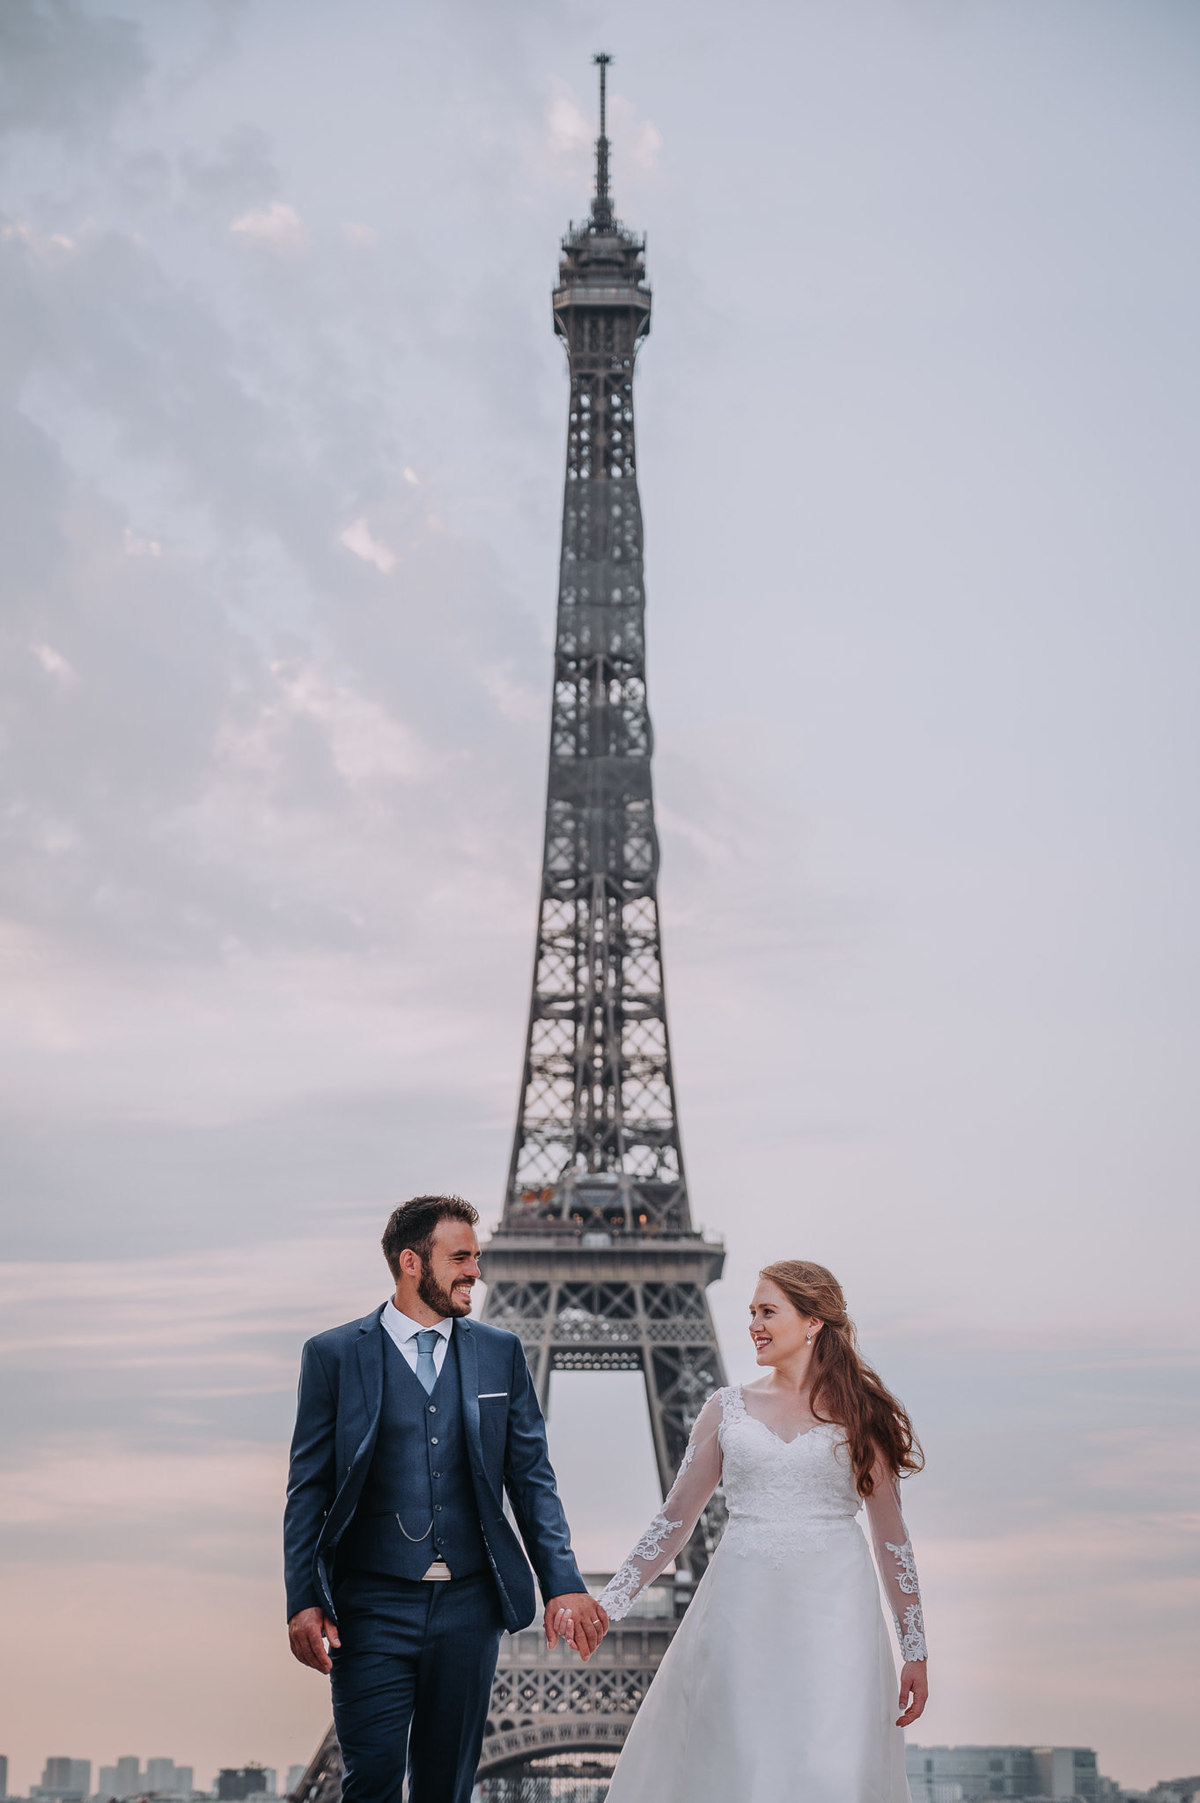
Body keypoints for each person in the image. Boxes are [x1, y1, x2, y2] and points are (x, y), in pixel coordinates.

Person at [557, 1259, 928, 1803]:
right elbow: (675, 1520)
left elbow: (892, 1540)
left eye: (768, 1312)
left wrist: (914, 1650)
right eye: (751, 1312)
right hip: (742, 1605)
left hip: (836, 1608)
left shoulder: (861, 1413)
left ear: (812, 1321)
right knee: (742, 1757)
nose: (754, 1323)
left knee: (832, 1764)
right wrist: (609, 1603)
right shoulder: (726, 1408)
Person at [284, 1194, 608, 1803]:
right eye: (460, 1258)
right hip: (371, 1604)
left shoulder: (500, 1353)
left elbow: (531, 1478)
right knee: (372, 1779)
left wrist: (562, 1583)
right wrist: (303, 1598)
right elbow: (310, 1489)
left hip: (468, 1605)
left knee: (446, 1789)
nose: (476, 1272)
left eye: (477, 1258)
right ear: (411, 1262)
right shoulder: (332, 1355)